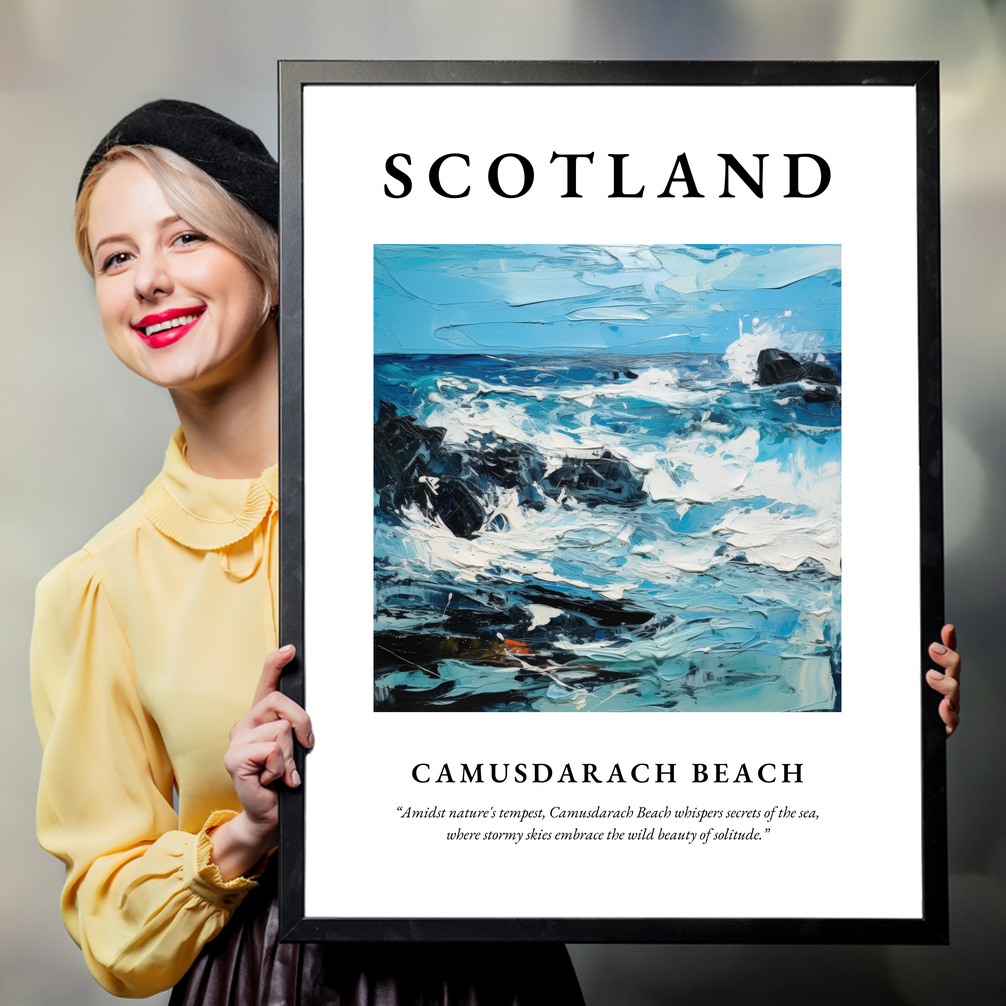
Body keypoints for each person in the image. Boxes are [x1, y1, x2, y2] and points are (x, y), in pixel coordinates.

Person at [30, 100, 585, 1004]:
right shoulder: (98, 586)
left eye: (185, 239)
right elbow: (110, 925)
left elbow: (607, 677)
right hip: (265, 981)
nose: (148, 281)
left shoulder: (437, 483)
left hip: (494, 971)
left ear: (273, 264)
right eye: (116, 257)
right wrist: (245, 832)